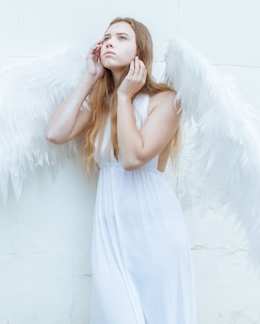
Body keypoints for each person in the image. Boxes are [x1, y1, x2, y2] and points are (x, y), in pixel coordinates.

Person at [46, 17, 197, 323]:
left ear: (141, 52)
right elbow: (55, 133)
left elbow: (133, 157)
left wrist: (126, 96)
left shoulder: (165, 101)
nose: (110, 42)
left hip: (155, 231)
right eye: (106, 37)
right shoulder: (101, 103)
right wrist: (89, 79)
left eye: (122, 37)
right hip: (111, 233)